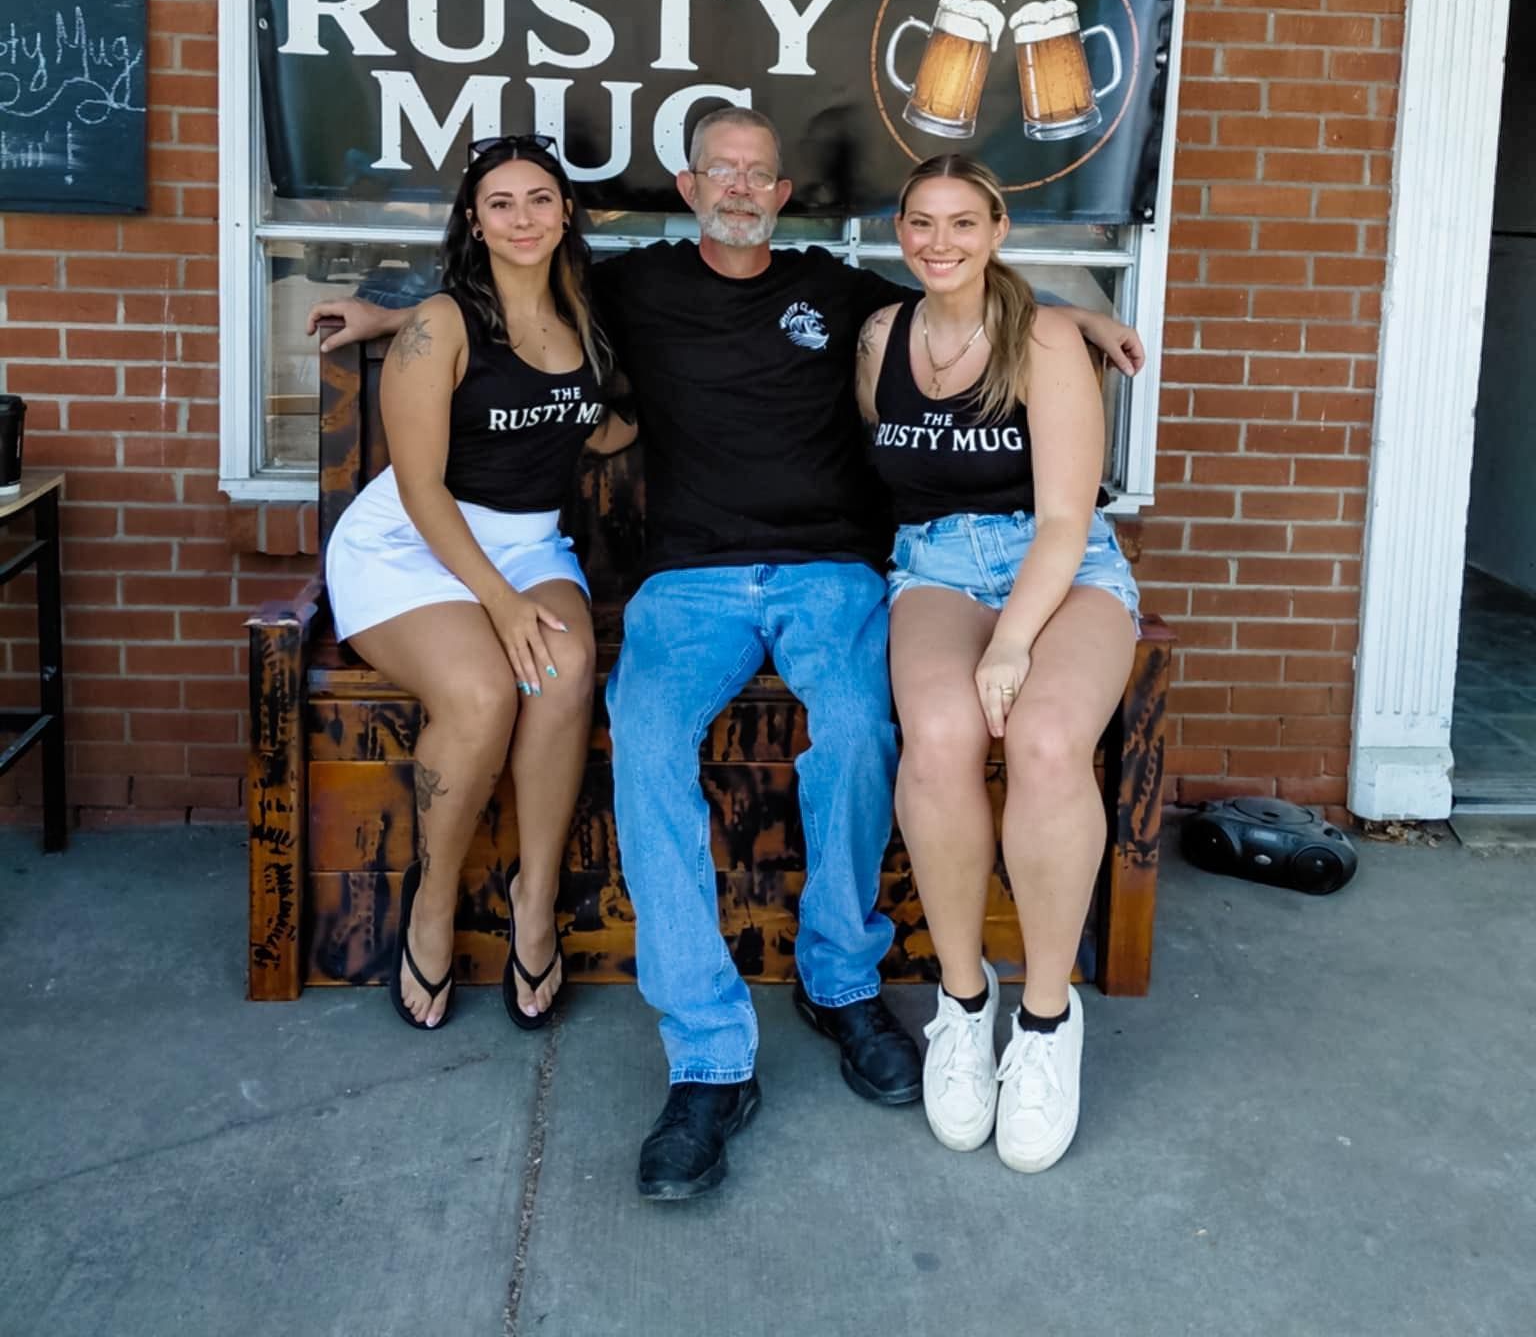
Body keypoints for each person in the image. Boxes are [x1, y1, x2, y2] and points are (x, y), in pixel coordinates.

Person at [311, 110, 1141, 1198]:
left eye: (760, 171)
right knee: (646, 730)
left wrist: (1074, 314)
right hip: (687, 579)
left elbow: (967, 296)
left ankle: (840, 980)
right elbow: (505, 294)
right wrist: (384, 314)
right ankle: (708, 1050)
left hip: (833, 572)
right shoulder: (632, 286)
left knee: (859, 726)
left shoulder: (841, 292)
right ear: (687, 181)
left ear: (783, 190)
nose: (740, 187)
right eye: (722, 170)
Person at [855, 152, 1140, 1174]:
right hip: (934, 563)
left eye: (962, 223)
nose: (940, 241)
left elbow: (1068, 515)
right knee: (938, 733)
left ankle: (1049, 1020)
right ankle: (965, 1005)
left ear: (997, 229)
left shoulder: (1047, 335)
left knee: (1050, 737)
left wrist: (1015, 639)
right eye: (921, 222)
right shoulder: (884, 333)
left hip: (1060, 568)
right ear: (901, 231)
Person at [323, 135, 634, 1034]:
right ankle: (432, 903)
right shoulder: (443, 323)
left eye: (540, 199)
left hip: (531, 542)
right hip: (413, 544)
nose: (523, 218)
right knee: (483, 689)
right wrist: (497, 603)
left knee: (566, 673)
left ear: (565, 212)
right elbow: (422, 489)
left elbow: (595, 420)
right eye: (501, 203)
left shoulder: (590, 312)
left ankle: (533, 900)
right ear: (475, 221)